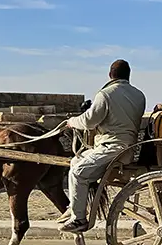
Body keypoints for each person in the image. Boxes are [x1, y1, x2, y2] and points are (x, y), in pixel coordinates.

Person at [58, 59, 147, 233]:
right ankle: (75, 205)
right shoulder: (139, 95)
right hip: (128, 147)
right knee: (75, 161)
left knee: (78, 173)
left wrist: (71, 122)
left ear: (110, 75)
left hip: (111, 147)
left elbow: (89, 120)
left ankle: (79, 219)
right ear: (128, 75)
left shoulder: (105, 94)